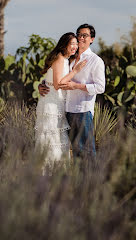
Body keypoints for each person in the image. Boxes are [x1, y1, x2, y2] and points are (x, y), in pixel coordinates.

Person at [39, 24, 105, 159]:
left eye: (85, 36)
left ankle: (92, 180)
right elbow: (58, 78)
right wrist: (43, 85)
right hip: (66, 111)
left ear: (92, 39)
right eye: (79, 35)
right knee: (75, 153)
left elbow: (100, 87)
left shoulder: (95, 61)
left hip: (82, 111)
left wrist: (76, 86)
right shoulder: (70, 59)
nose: (81, 38)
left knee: (87, 152)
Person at [35, 32, 87, 167]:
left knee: (58, 139)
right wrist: (75, 71)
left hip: (58, 104)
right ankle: (49, 172)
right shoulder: (59, 58)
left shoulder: (65, 60)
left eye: (76, 44)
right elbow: (58, 84)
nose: (75, 47)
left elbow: (50, 80)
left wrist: (43, 84)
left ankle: (57, 173)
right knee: (52, 139)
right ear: (64, 44)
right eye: (72, 44)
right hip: (51, 105)